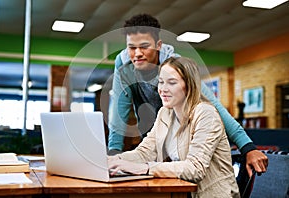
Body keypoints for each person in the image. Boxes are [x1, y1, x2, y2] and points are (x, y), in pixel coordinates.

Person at [107, 13, 268, 177]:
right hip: (154, 132)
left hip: (185, 138)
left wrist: (247, 147)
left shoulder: (178, 67)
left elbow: (214, 105)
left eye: (144, 46)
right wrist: (113, 156)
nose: (137, 53)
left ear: (158, 46)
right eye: (132, 47)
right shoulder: (125, 64)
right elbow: (119, 111)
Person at [108, 57, 240, 197]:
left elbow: (195, 168)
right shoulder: (165, 113)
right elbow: (145, 152)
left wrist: (145, 168)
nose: (163, 89)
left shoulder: (206, 114)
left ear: (189, 85)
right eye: (161, 82)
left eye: (171, 83)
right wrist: (115, 161)